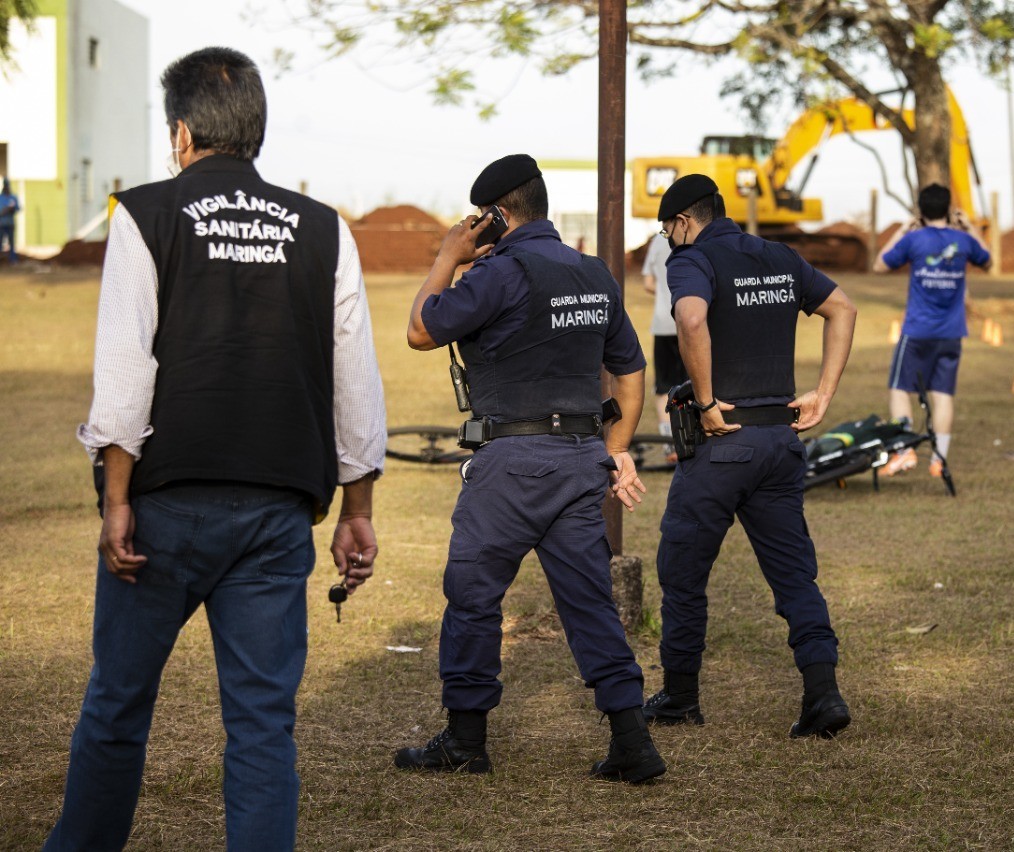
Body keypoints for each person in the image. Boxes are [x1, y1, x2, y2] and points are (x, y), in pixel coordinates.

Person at [44, 47, 386, 851]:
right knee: (263, 725)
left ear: (181, 132)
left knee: (119, 704)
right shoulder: (324, 229)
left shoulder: (145, 214)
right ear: (255, 130)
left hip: (165, 505)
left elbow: (127, 374)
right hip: (275, 513)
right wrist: (358, 509)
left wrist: (116, 499)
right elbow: (355, 380)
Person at [398, 153, 665, 784]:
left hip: (512, 465)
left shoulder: (497, 275)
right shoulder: (593, 273)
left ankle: (466, 742)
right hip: (580, 464)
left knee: (472, 598)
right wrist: (615, 449)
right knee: (591, 605)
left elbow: (418, 330)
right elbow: (630, 369)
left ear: (495, 215)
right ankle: (632, 741)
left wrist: (446, 257)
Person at [644, 174, 858, 739]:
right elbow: (842, 308)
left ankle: (680, 697)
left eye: (667, 230)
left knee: (683, 572)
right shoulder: (780, 256)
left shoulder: (694, 260)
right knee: (795, 577)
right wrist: (823, 394)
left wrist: (708, 402)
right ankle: (823, 694)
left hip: (722, 446)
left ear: (684, 222)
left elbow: (690, 319)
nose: (668, 239)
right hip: (781, 444)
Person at [873, 183, 991, 478]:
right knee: (943, 394)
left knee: (900, 389)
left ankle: (904, 451)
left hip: (917, 331)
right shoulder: (962, 241)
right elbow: (988, 260)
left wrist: (903, 230)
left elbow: (879, 266)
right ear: (950, 210)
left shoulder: (914, 239)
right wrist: (970, 228)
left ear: (921, 212)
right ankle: (938, 459)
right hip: (952, 333)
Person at [642, 231, 689, 450]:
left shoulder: (657, 242)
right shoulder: (694, 238)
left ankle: (668, 440)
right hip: (689, 320)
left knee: (663, 385)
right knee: (692, 382)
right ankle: (690, 435)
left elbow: (648, 282)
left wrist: (663, 292)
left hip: (662, 321)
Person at [0, 177, 20, 264]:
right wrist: (5, 210)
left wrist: (11, 209)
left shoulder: (13, 197)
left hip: (10, 224)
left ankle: (12, 259)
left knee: (12, 243)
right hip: (1, 224)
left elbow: (18, 208)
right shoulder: (1, 198)